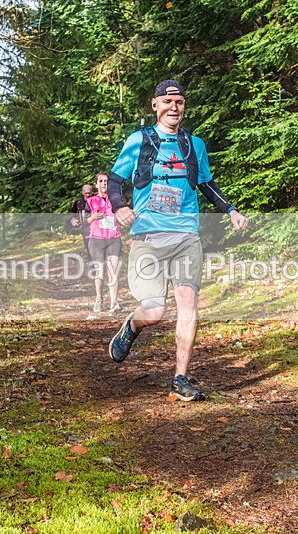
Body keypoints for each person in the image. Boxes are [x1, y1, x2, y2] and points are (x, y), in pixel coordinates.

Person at [106, 79, 248, 401]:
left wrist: (230, 210)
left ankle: (180, 378)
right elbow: (115, 180)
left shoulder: (194, 145)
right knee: (154, 312)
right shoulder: (139, 140)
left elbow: (206, 184)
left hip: (186, 236)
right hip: (148, 237)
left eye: (180, 102)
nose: (174, 108)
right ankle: (132, 325)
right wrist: (119, 207)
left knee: (188, 303)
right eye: (168, 102)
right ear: (155, 105)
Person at [86, 172, 122, 313]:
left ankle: (114, 302)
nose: (104, 183)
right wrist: (93, 217)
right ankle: (99, 298)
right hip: (96, 240)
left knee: (113, 271)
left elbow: (121, 215)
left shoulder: (115, 199)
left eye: (106, 181)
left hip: (113, 238)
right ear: (96, 184)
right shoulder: (91, 201)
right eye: (100, 181)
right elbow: (84, 222)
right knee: (100, 273)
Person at [70, 184, 94, 260]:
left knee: (95, 247)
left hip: (95, 228)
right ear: (82, 193)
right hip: (84, 228)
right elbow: (72, 213)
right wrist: (73, 220)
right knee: (88, 246)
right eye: (86, 193)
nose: (88, 195)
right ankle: (91, 263)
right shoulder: (78, 203)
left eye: (89, 193)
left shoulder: (96, 200)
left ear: (92, 192)